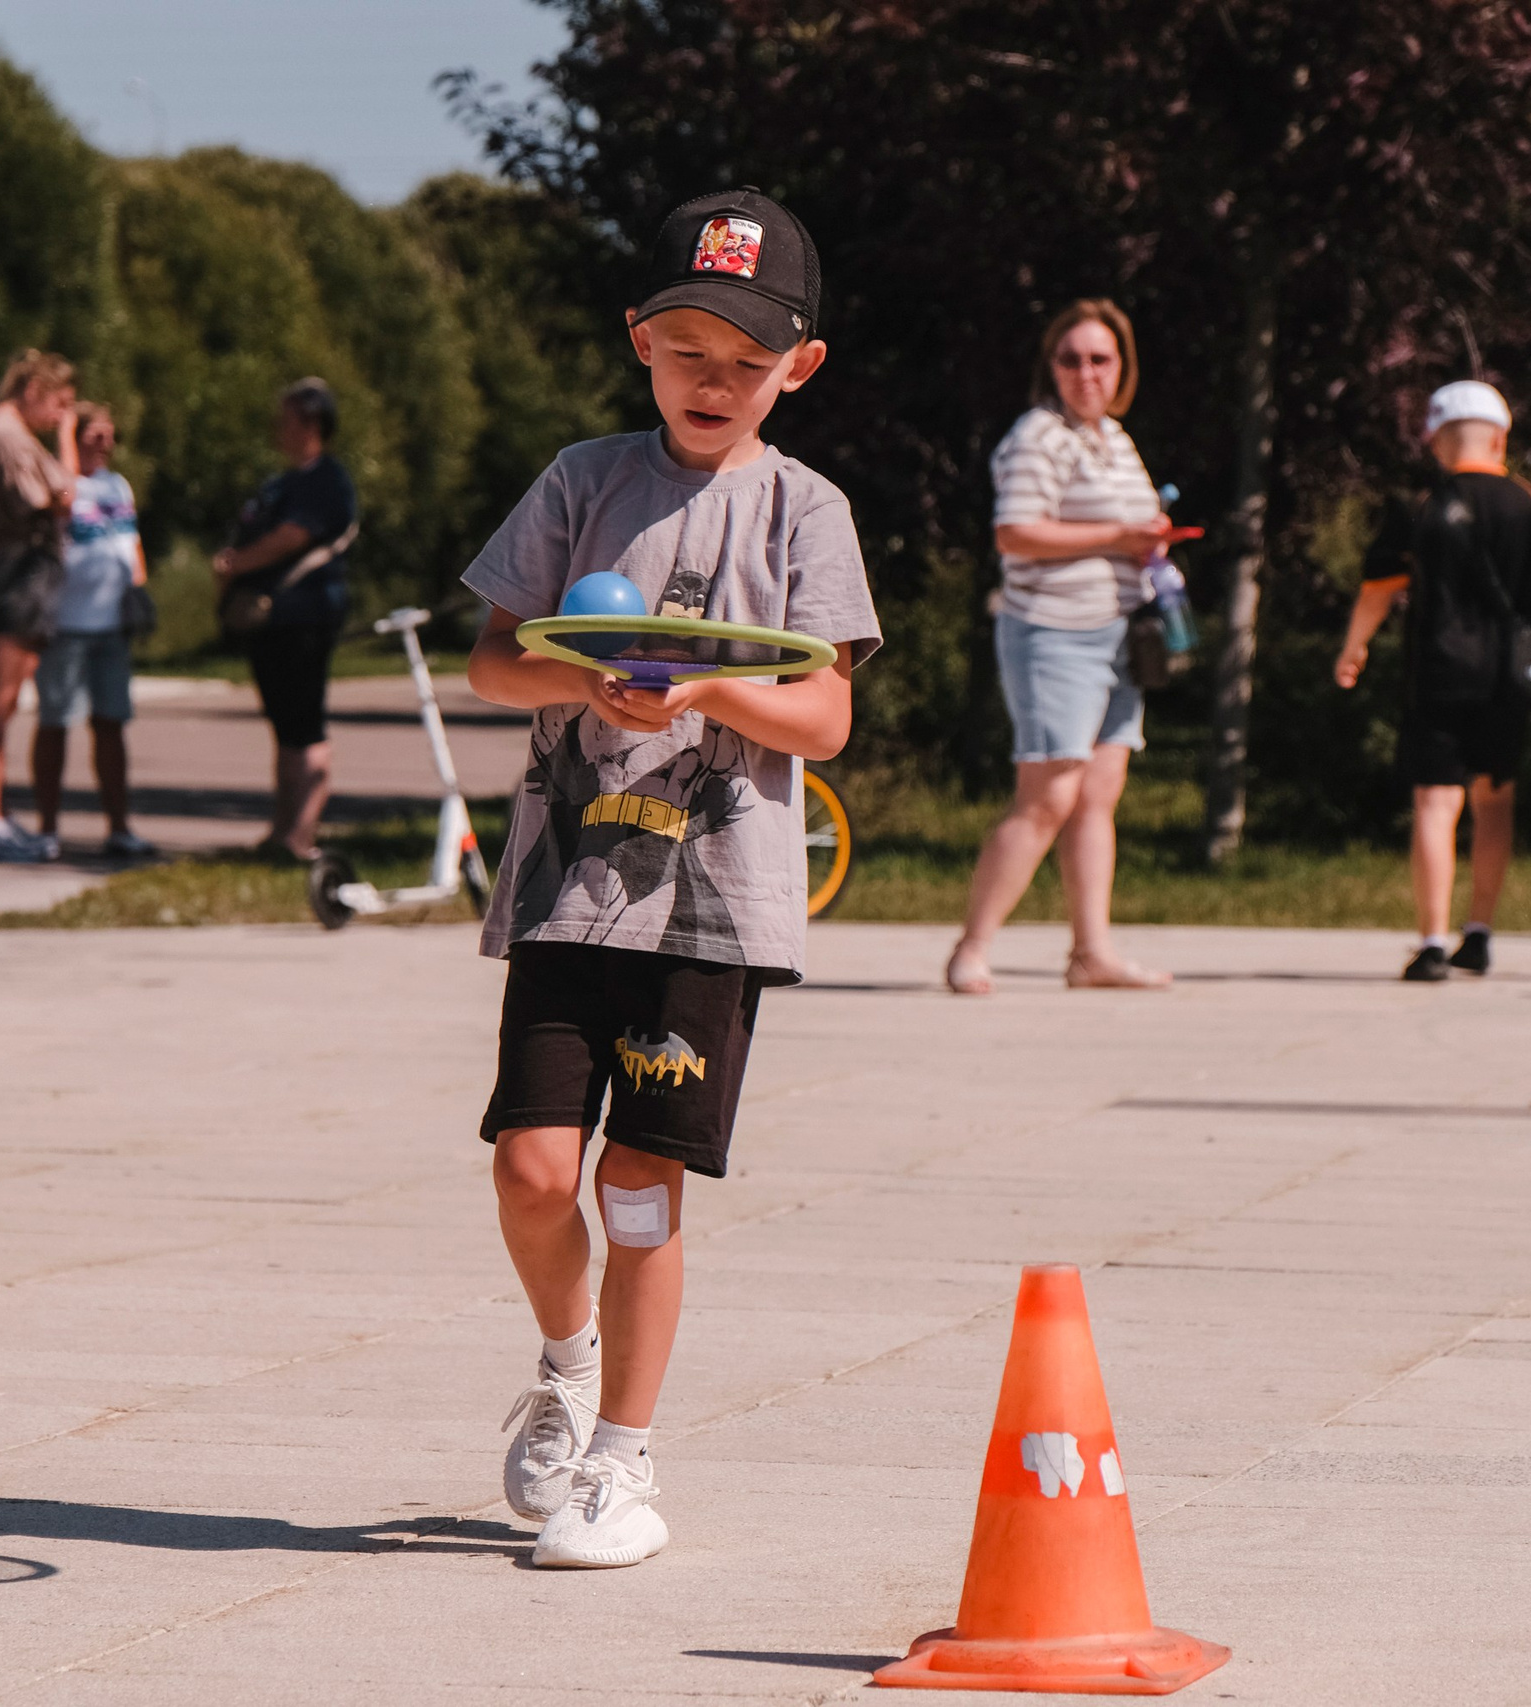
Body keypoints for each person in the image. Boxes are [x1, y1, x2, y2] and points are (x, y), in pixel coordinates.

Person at [462, 188, 881, 1569]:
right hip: (569, 885)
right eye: (688, 348)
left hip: (712, 902)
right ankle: (568, 1363)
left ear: (798, 369)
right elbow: (494, 661)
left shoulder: (807, 510)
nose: (714, 380)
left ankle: (625, 1464)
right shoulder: (583, 479)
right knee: (533, 1170)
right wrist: (594, 682)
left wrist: (707, 690)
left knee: (640, 1180)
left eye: (746, 361)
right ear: (639, 338)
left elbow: (823, 718)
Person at [944, 299, 1177, 996]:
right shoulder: (1038, 436)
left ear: (1121, 368)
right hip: (1054, 632)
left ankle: (1091, 952)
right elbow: (1014, 532)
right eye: (1071, 358)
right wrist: (1120, 538)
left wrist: (1152, 544)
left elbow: (1123, 527)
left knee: (1099, 794)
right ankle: (972, 947)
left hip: (1119, 633)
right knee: (1047, 796)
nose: (1086, 372)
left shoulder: (1112, 437)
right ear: (1051, 366)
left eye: (1100, 359)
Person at [1335, 380, 1531, 980]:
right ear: (1501, 438)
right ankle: (1478, 933)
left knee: (1435, 801)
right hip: (1506, 674)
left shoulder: (1422, 503)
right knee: (1494, 798)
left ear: (1438, 440)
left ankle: (1430, 941)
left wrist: (1354, 647)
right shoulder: (1528, 500)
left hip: (1440, 668)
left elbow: (1378, 588)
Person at [210, 379, 357, 861]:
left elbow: (292, 537)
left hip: (306, 614)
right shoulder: (282, 481)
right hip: (274, 620)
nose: (278, 427)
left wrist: (236, 564)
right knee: (284, 726)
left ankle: (301, 836)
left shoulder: (325, 478)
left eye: (286, 417)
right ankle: (281, 832)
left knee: (305, 724)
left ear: (312, 424)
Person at [0, 349, 78, 863]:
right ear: (33, 391)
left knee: (8, 700)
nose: (58, 417)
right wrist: (66, 442)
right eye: (59, 404)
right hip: (12, 573)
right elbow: (59, 494)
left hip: (21, 572)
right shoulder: (2, 432)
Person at [31, 402, 154, 861]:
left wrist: (137, 588)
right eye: (92, 435)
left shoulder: (116, 486)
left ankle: (119, 827)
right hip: (66, 624)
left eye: (109, 436)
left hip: (110, 625)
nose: (104, 444)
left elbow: (130, 539)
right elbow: (62, 503)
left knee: (111, 724)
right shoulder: (62, 485)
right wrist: (63, 430)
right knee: (56, 723)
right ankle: (47, 829)